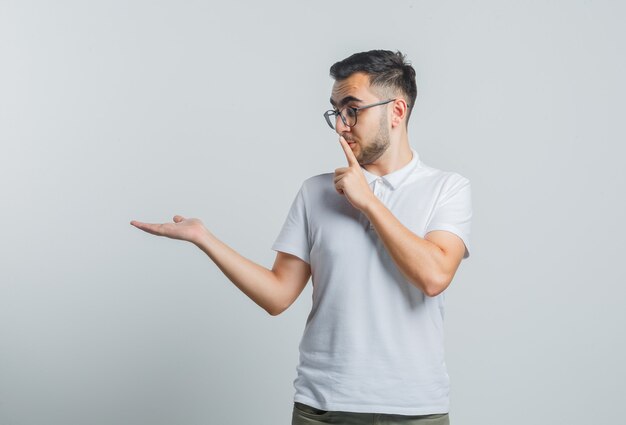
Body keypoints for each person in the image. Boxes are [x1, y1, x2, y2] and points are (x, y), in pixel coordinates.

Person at [131, 49, 471, 425]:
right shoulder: (316, 193)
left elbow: (434, 276)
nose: (341, 124)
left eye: (353, 109)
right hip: (322, 406)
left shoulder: (446, 188)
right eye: (336, 111)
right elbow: (278, 295)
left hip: (415, 409)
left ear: (396, 111)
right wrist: (203, 237)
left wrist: (369, 203)